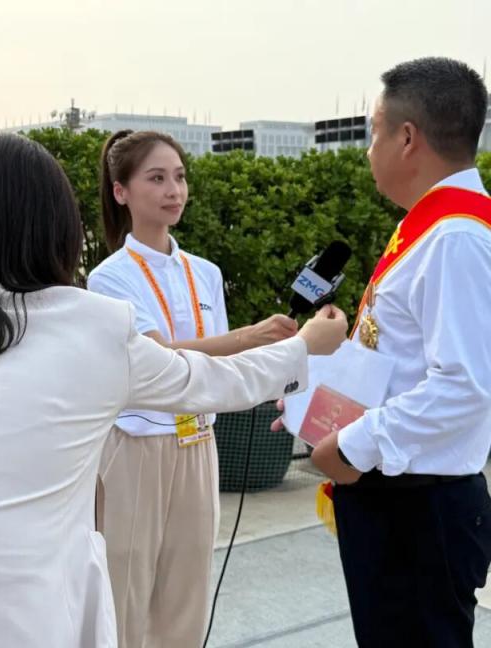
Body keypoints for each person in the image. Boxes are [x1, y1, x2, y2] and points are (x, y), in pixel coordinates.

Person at [0, 133, 347, 648]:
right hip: (31, 611)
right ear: (57, 223)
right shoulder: (95, 326)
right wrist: (303, 347)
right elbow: (212, 381)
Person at [86, 129, 298, 648]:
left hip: (198, 442)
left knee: (188, 594)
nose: (173, 190)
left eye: (179, 177)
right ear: (121, 191)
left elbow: (219, 365)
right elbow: (158, 358)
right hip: (135, 446)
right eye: (157, 178)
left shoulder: (205, 273)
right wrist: (249, 337)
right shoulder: (108, 279)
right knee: (125, 592)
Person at [305, 57, 491, 647]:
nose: (368, 150)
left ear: (407, 138)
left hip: (418, 504)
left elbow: (464, 386)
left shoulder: (455, 238)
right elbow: (405, 359)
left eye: (373, 132)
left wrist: (352, 444)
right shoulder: (434, 227)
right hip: (403, 497)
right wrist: (323, 403)